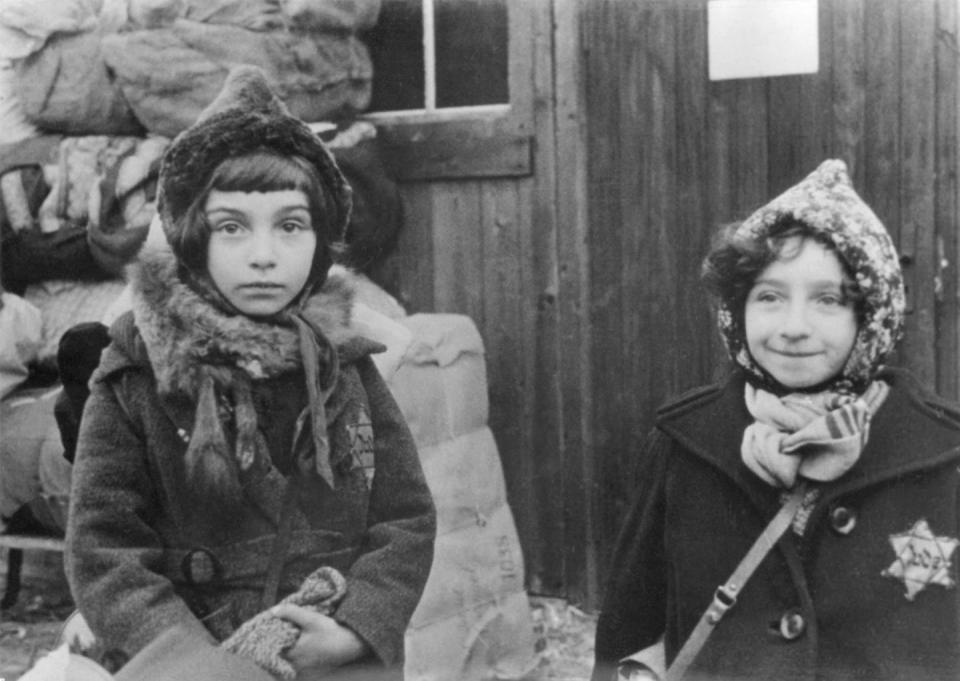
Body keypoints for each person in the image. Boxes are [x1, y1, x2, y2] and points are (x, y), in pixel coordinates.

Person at [65, 66, 436, 681]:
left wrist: (353, 630)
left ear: (319, 242)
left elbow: (405, 518)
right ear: (190, 238)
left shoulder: (343, 367)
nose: (264, 255)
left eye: (291, 225)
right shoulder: (136, 375)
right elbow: (105, 552)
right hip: (187, 656)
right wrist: (196, 666)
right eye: (231, 227)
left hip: (323, 649)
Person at [592, 159, 960, 681]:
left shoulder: (944, 456)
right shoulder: (683, 443)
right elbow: (628, 627)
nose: (793, 327)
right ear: (736, 312)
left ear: (872, 317)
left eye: (827, 300)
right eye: (769, 297)